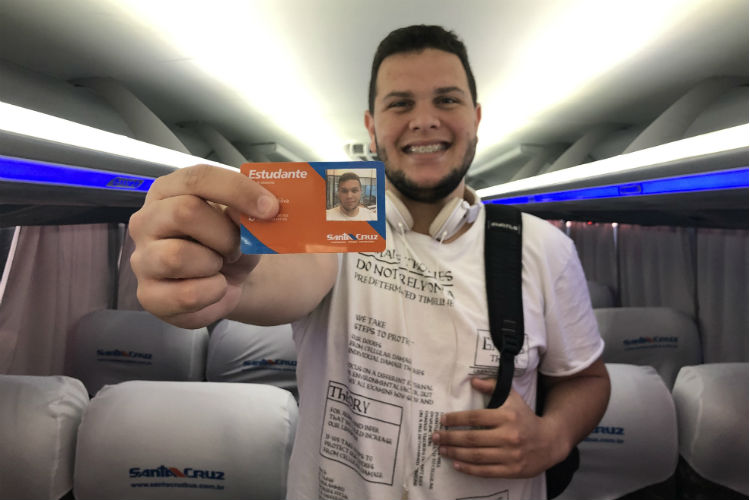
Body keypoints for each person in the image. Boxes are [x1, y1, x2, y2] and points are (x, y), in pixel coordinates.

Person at [129, 24, 610, 500]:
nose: (424, 120)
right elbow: (271, 278)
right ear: (371, 127)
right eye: (400, 104)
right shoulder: (334, 220)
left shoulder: (543, 247)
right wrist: (218, 274)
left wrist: (554, 436)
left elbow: (586, 379)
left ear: (477, 117)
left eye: (446, 100)